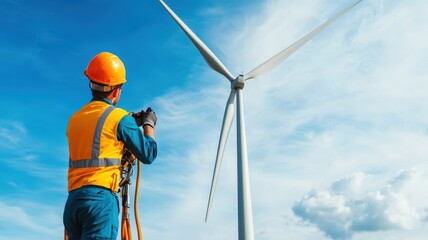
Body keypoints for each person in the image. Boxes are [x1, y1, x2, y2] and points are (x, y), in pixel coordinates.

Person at [63, 52, 158, 239]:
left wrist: (130, 124)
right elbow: (148, 153)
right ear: (116, 91)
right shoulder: (119, 118)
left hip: (73, 203)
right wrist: (149, 124)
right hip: (99, 202)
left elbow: (98, 138)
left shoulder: (74, 119)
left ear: (91, 83)